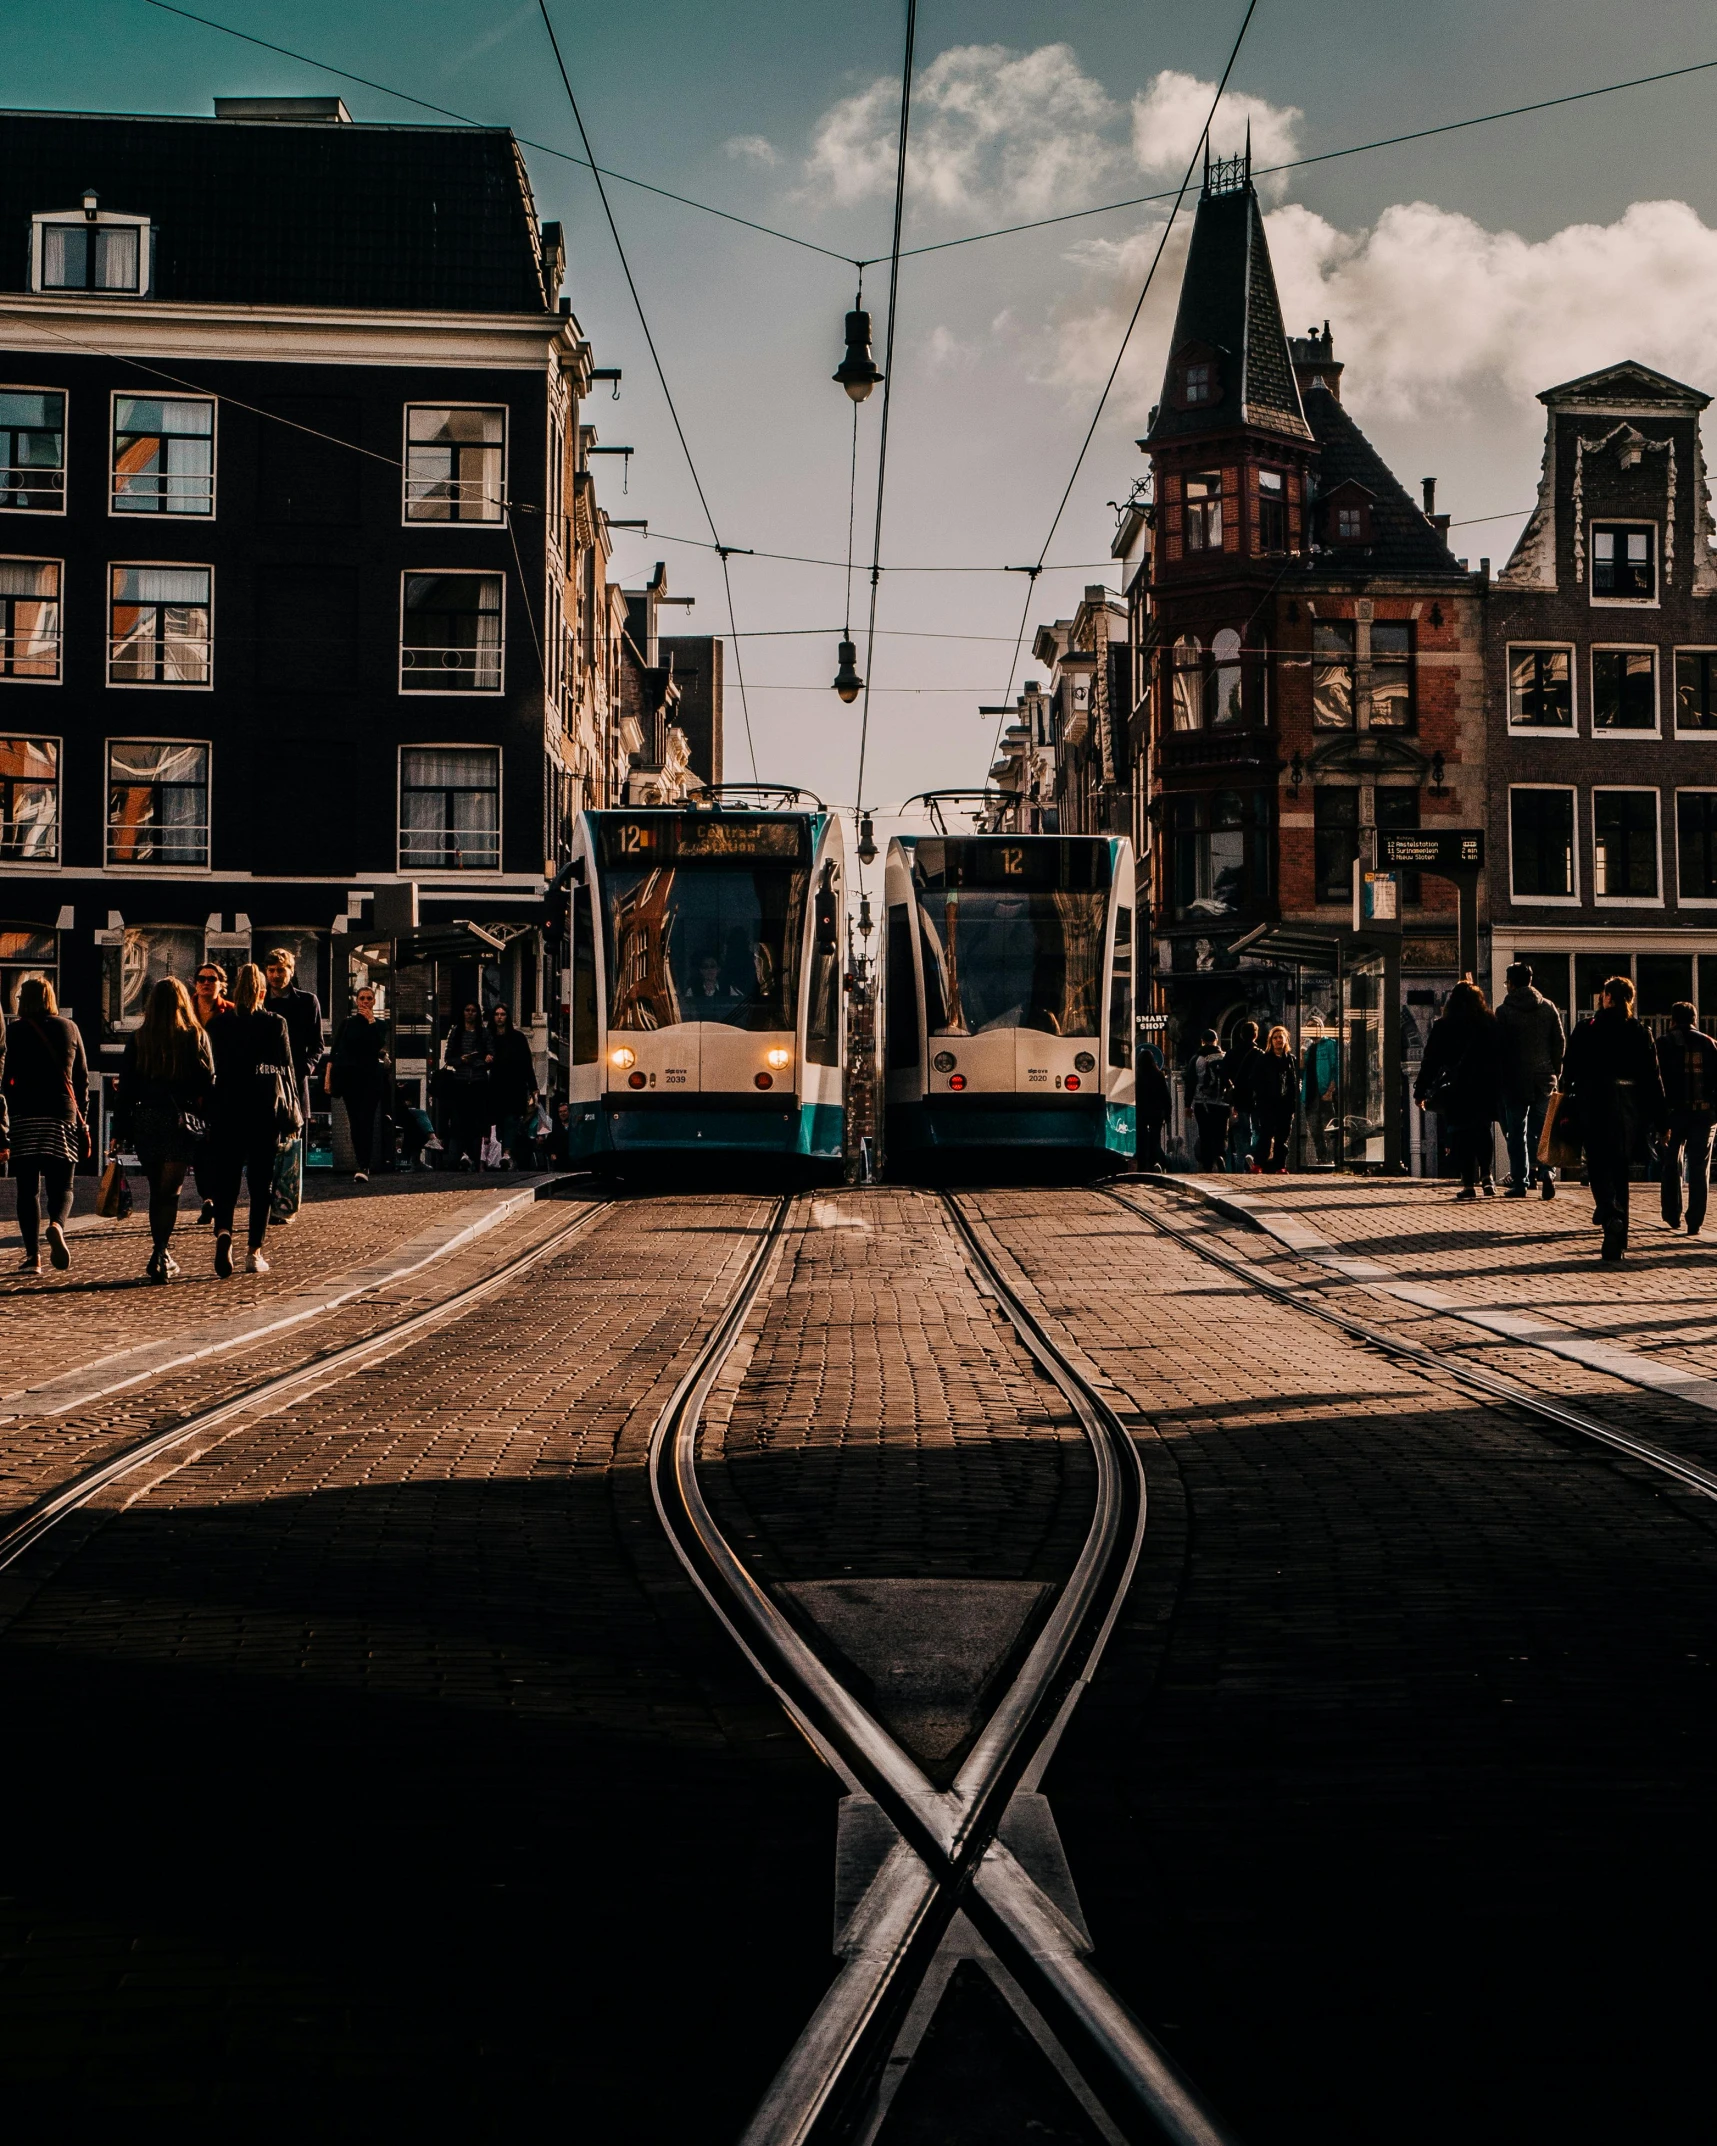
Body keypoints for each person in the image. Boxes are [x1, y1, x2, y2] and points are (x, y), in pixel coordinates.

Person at [1558, 974, 1667, 1261]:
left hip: (1593, 1103)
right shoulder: (1640, 1031)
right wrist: (1661, 1120)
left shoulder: (1587, 1029)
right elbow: (1653, 1078)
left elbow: (1569, 1068)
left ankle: (1609, 1213)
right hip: (1629, 1106)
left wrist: (1567, 1093)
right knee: (1621, 1169)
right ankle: (1618, 1242)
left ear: (1607, 998)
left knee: (1597, 1163)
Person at [114, 976, 215, 1282]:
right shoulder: (195, 1035)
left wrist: (120, 1128)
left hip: (146, 1121)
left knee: (157, 1187)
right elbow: (208, 1081)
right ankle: (161, 1252)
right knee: (169, 1193)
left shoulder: (139, 1038)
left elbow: (126, 1088)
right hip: (179, 1121)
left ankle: (161, 1251)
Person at [205, 964, 296, 1276]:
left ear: (233, 991)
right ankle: (254, 1252)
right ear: (261, 991)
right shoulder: (274, 1023)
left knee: (226, 1180)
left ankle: (224, 1233)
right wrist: (292, 1114)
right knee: (260, 1184)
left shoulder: (218, 1025)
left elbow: (209, 1067)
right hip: (263, 1114)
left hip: (226, 1112)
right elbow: (286, 1070)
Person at [0, 976, 89, 1276]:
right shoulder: (70, 1028)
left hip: (24, 1118)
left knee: (28, 1191)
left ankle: (33, 1256)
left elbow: (4, 1077)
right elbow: (82, 1079)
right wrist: (82, 1116)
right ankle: (56, 1225)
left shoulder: (14, 1032)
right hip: (61, 1118)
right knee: (63, 1185)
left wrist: (10, 1108)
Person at [1415, 979, 1503, 1200]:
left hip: (1457, 1088)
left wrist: (1421, 1090)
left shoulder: (1444, 1026)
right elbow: (1500, 1056)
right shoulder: (1489, 1023)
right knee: (1482, 1129)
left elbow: (1431, 1060)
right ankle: (1487, 1175)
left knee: (1461, 1133)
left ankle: (1468, 1184)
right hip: (1484, 1086)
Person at [1495, 959, 1566, 1201]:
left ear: (1512, 985)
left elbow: (1500, 1048)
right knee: (1543, 1131)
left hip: (1515, 1081)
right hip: (1544, 1079)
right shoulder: (1548, 1007)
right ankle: (1547, 1172)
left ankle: (1520, 1181)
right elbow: (1559, 1042)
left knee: (1516, 1133)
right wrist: (1555, 1071)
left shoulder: (1504, 1012)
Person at [264, 946, 325, 1225]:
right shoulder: (259, 1002)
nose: (277, 975)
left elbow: (318, 1045)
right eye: (272, 970)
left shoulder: (308, 1001)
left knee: (292, 1145)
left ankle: (286, 1203)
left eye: (282, 969)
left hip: (294, 1083)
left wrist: (305, 1069)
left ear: (292, 971)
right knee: (264, 1145)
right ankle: (264, 1202)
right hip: (264, 1082)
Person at [1656, 999, 1717, 1236]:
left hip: (1673, 1113)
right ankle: (1695, 1220)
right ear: (1695, 1019)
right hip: (1703, 1113)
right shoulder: (1710, 1044)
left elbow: (1656, 1081)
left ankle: (1672, 1214)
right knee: (1700, 1167)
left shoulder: (1662, 1044)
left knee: (1671, 1163)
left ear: (1672, 1019)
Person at [326, 984, 391, 1183]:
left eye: (369, 999)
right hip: (349, 1078)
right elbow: (335, 1051)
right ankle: (359, 1161)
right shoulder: (347, 1023)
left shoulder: (379, 1025)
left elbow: (377, 1044)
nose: (365, 1002)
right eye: (362, 998)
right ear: (356, 1001)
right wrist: (328, 1078)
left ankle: (364, 1165)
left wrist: (371, 1021)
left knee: (367, 1120)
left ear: (374, 1001)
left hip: (370, 1078)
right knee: (355, 1121)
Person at [189, 960, 233, 1224]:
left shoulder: (230, 1012)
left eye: (212, 979)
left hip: (222, 1090)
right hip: (191, 1089)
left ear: (221, 984)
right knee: (197, 1147)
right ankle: (207, 1198)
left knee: (219, 1145)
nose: (206, 982)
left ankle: (216, 1197)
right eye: (202, 978)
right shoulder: (184, 1011)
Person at [485, 1004, 538, 1169]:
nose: (500, 1017)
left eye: (503, 1014)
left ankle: (506, 1154)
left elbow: (526, 1063)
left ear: (507, 1017)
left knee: (511, 1120)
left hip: (514, 1086)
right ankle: (498, 1152)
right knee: (497, 1121)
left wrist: (533, 1086)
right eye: (497, 1014)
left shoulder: (518, 1038)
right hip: (495, 1086)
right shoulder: (488, 1037)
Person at [440, 1002, 492, 1168]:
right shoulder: (456, 1032)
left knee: (476, 1121)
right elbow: (448, 1057)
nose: (470, 1013)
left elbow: (491, 1056)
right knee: (459, 1120)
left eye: (473, 1011)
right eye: (467, 1010)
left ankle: (474, 1157)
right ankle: (459, 1156)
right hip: (460, 1082)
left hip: (478, 1082)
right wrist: (461, 1060)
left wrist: (482, 1062)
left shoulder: (484, 1033)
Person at [1183, 1028, 1231, 1172]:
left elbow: (1190, 1082)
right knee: (1221, 1133)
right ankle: (1220, 1157)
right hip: (1222, 1103)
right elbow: (1229, 1080)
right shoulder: (1224, 1057)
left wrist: (1187, 1105)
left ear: (1202, 1041)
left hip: (1202, 1103)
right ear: (1216, 1041)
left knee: (1205, 1134)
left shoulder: (1197, 1059)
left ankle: (1207, 1164)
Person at [1252, 1024, 1299, 1174]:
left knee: (1282, 1137)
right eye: (1275, 1038)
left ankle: (1280, 1166)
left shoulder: (1291, 1060)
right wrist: (1261, 1099)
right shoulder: (1263, 1059)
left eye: (1281, 1037)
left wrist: (1294, 1101)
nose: (1278, 1040)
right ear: (1271, 1041)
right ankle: (1258, 1164)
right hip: (1268, 1104)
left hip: (1285, 1104)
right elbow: (1255, 1081)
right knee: (1266, 1134)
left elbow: (1294, 1081)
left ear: (1286, 1040)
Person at [1220, 1019, 1265, 1172]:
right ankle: (1252, 1157)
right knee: (1258, 1131)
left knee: (1240, 1133)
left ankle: (1242, 1165)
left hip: (1238, 1099)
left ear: (1240, 1034)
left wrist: (1230, 1087)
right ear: (1256, 1035)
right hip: (1255, 1099)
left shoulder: (1232, 1053)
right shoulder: (1259, 1054)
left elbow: (1223, 1074)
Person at [1135, 1045, 1171, 1172]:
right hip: (1156, 1112)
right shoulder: (1158, 1074)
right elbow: (1166, 1096)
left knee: (1141, 1139)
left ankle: (1142, 1164)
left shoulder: (1137, 1075)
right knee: (1155, 1139)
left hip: (1141, 1112)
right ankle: (1154, 1162)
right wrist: (1167, 1114)